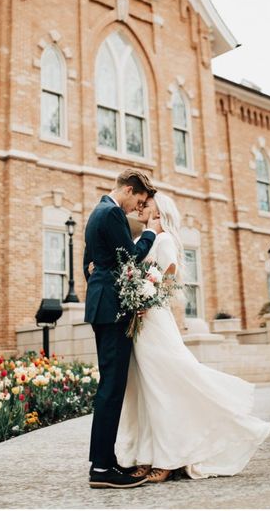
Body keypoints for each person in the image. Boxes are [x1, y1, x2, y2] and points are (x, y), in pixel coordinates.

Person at [114, 192, 270, 482]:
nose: (141, 208)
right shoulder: (142, 241)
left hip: (154, 322)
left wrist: (144, 300)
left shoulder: (163, 241)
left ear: (159, 213)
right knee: (146, 390)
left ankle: (168, 459)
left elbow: (168, 279)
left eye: (146, 205)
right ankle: (146, 454)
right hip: (140, 325)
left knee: (165, 386)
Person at [83, 168, 162, 489]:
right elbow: (130, 258)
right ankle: (101, 468)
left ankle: (105, 461)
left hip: (103, 304)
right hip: (112, 309)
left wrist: (102, 286)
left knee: (111, 385)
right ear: (129, 190)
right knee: (111, 388)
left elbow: (89, 264)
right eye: (139, 200)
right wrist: (151, 234)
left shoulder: (97, 211)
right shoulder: (112, 212)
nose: (136, 208)